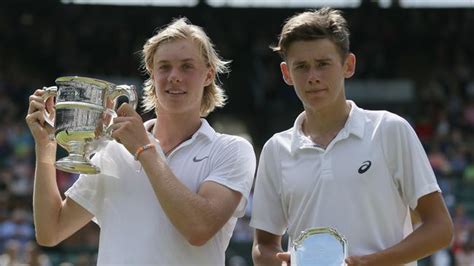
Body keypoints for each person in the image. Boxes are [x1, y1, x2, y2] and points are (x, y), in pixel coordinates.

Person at [25, 18, 256, 265]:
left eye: (187, 67)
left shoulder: (232, 149)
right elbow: (51, 231)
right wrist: (46, 147)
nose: (174, 76)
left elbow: (198, 229)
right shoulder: (112, 151)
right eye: (164, 67)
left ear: (208, 74)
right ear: (151, 72)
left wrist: (144, 149)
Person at [250, 7, 453, 266]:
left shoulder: (390, 129)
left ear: (349, 65)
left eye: (323, 64)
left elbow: (440, 229)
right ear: (286, 73)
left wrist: (371, 263)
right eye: (301, 67)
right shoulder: (275, 149)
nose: (313, 77)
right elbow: (264, 245)